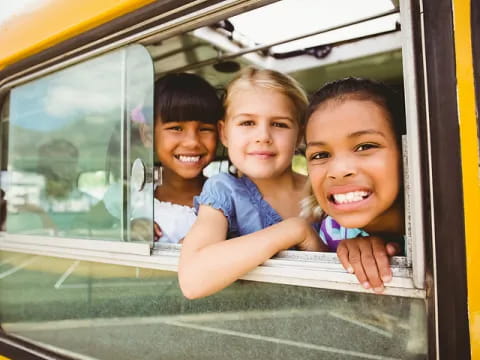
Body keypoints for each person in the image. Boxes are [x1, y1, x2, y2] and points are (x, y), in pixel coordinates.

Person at [179, 67, 327, 300]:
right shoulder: (224, 191)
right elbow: (192, 280)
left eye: (279, 124)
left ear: (299, 136)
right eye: (247, 123)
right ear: (224, 133)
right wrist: (295, 230)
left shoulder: (324, 189)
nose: (263, 136)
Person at [303, 77, 405, 293]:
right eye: (320, 154)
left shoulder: (451, 229)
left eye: (365, 146)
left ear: (406, 151)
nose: (339, 170)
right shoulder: (330, 232)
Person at [151, 72, 223, 243]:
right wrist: (125, 232)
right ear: (147, 135)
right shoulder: (130, 203)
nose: (192, 142)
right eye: (176, 128)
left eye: (205, 129)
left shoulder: (232, 203)